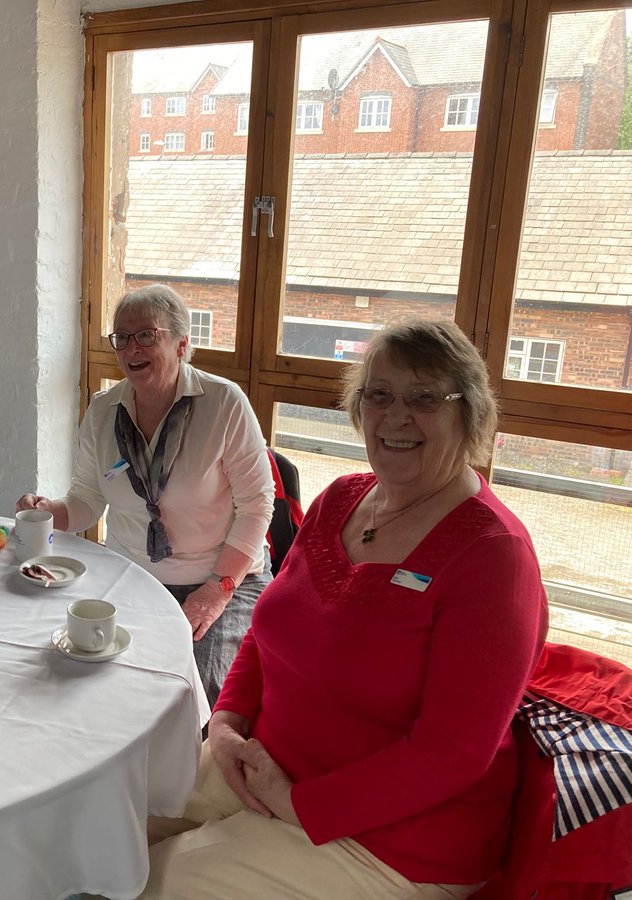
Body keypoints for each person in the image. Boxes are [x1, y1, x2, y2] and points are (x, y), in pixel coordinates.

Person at [139, 321, 548, 899]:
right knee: (107, 826)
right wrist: (227, 726)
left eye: (425, 398)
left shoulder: (493, 557)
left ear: (472, 414)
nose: (396, 415)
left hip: (394, 840)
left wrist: (298, 803)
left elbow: (452, 752)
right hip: (265, 764)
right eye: (378, 394)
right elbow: (270, 629)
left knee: (157, 884)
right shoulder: (342, 500)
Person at [17, 284, 274, 707]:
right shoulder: (103, 411)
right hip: (132, 575)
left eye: (146, 335)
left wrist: (216, 589)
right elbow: (86, 500)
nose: (131, 348)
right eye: (122, 338)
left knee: (196, 693)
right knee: (92, 678)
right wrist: (49, 512)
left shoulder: (224, 404)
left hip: (221, 579)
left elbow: (257, 506)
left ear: (181, 345)